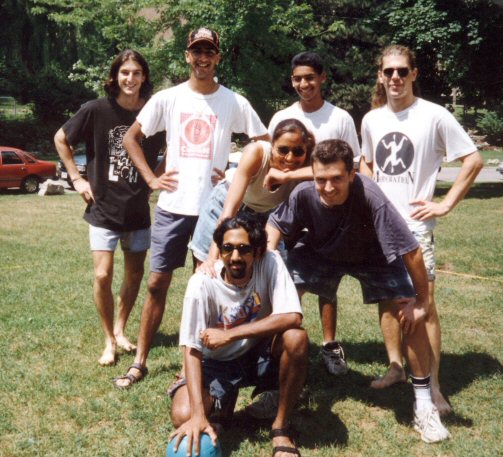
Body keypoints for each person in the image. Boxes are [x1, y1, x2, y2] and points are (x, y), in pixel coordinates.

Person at [267, 139, 451, 443]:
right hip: (319, 253)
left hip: (373, 256)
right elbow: (274, 225)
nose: (327, 187)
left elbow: (412, 252)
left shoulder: (370, 195)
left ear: (351, 175)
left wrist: (421, 301)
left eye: (336, 178)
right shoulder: (302, 194)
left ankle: (423, 405)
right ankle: (274, 385)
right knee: (281, 309)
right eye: (320, 179)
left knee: (411, 313)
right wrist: (272, 255)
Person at [114, 28, 268, 388]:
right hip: (172, 205)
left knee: (209, 287)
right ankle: (140, 361)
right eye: (196, 51)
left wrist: (233, 166)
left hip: (215, 210)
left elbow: (262, 142)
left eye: (209, 52)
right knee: (156, 283)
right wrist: (152, 180)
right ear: (187, 56)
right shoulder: (168, 98)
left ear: (218, 57)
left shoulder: (234, 101)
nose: (203, 58)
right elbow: (130, 138)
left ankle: (195, 367)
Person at [360, 44, 483, 415]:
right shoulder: (371, 120)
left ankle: (435, 386)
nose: (395, 78)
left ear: (414, 74)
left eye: (402, 71)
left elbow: (474, 160)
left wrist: (445, 204)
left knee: (424, 306)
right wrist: (371, 199)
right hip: (379, 228)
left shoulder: (434, 115)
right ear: (380, 76)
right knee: (386, 298)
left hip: (415, 228)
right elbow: (366, 163)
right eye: (388, 72)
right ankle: (396, 366)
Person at [54, 50, 165, 367]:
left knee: (134, 275)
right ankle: (107, 339)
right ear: (115, 76)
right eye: (125, 72)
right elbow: (61, 139)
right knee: (103, 275)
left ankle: (120, 330)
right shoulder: (95, 110)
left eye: (137, 73)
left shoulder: (154, 114)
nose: (130, 79)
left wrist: (156, 177)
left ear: (144, 77)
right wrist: (76, 178)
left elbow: (175, 148)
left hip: (138, 212)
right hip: (102, 209)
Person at [170, 216, 308, 457]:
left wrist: (229, 335)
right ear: (220, 250)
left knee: (296, 338)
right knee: (183, 414)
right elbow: (192, 349)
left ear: (257, 251)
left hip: (258, 353)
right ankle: (223, 403)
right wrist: (198, 416)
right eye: (227, 248)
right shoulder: (201, 284)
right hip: (216, 362)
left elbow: (293, 317)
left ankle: (280, 427)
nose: (235, 257)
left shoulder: (271, 261)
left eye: (244, 249)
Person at [268, 51, 361, 376]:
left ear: (322, 78)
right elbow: (273, 164)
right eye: (297, 78)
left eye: (310, 77)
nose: (304, 84)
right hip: (285, 212)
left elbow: (353, 167)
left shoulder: (340, 118)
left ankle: (330, 345)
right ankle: (280, 343)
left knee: (327, 284)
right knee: (284, 281)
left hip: (327, 212)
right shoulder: (282, 116)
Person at [190, 118, 315, 269]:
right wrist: (211, 259)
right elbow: (228, 213)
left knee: (272, 270)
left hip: (265, 215)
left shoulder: (307, 163)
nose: (290, 158)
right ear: (272, 145)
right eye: (282, 150)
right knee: (208, 269)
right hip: (225, 206)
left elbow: (334, 170)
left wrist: (285, 176)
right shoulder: (256, 152)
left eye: (298, 151)